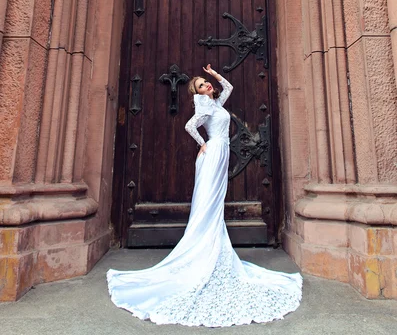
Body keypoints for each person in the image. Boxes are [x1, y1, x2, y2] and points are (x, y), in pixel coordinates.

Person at [107, 64, 302, 327]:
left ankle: (215, 248)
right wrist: (203, 145)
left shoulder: (216, 102)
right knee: (208, 204)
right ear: (196, 93)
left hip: (221, 153)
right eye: (201, 85)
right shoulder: (204, 105)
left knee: (214, 204)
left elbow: (229, 87)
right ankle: (203, 253)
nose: (206, 86)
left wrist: (213, 76)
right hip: (213, 153)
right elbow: (190, 126)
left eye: (205, 84)